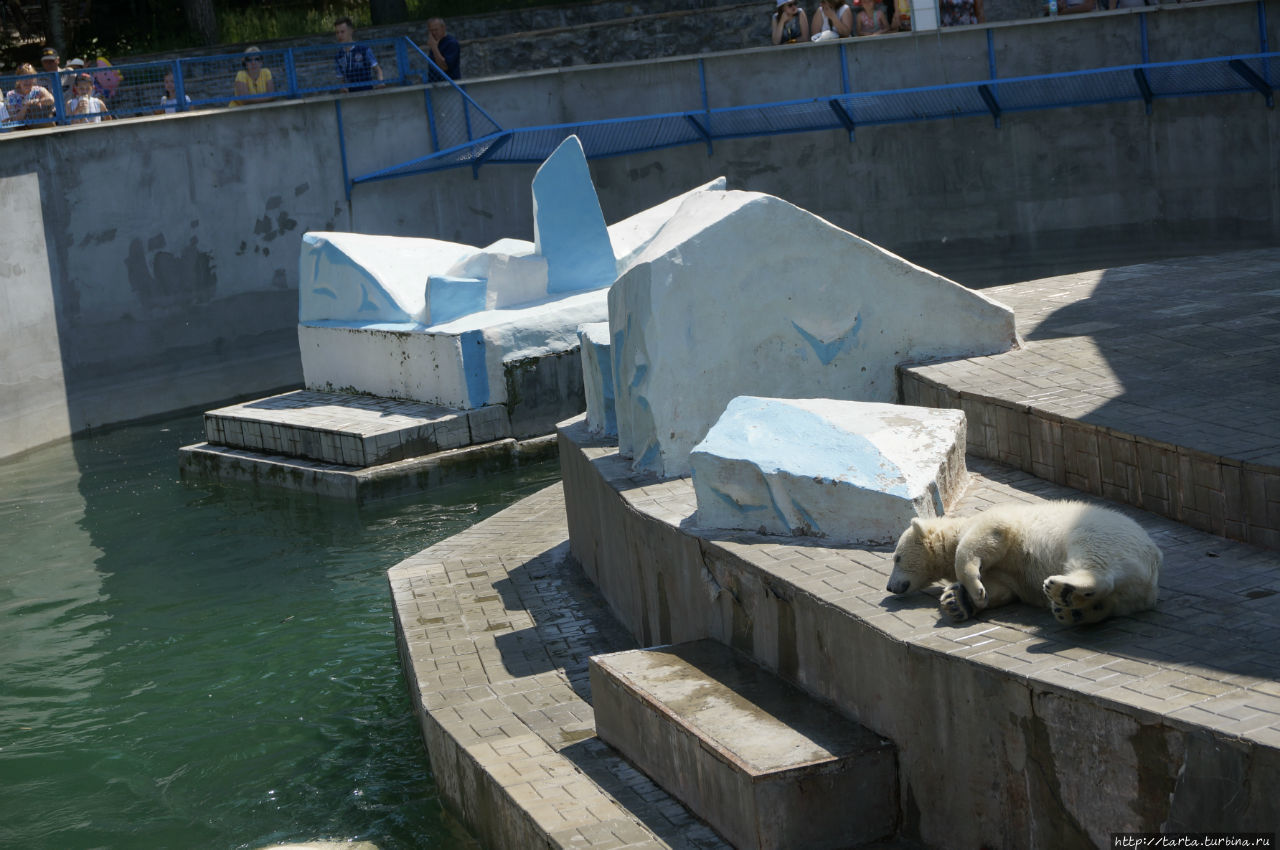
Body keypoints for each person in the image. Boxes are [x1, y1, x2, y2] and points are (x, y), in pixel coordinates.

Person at [334, 16, 382, 92]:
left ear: (351, 31)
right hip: (351, 94)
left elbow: (377, 69)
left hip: (367, 91)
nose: (339, 35)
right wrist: (343, 88)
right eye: (337, 32)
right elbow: (341, 78)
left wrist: (380, 82)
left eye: (342, 32)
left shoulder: (364, 49)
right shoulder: (339, 56)